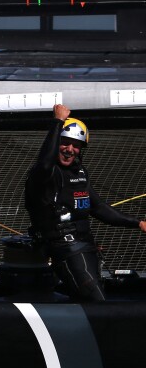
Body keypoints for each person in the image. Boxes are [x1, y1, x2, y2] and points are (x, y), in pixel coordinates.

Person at [24, 104, 146, 301]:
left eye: (76, 145)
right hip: (66, 251)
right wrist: (57, 122)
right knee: (96, 302)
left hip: (86, 248)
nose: (69, 149)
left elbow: (97, 207)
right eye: (65, 143)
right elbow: (44, 162)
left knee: (90, 298)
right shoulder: (45, 174)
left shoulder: (80, 173)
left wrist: (137, 223)